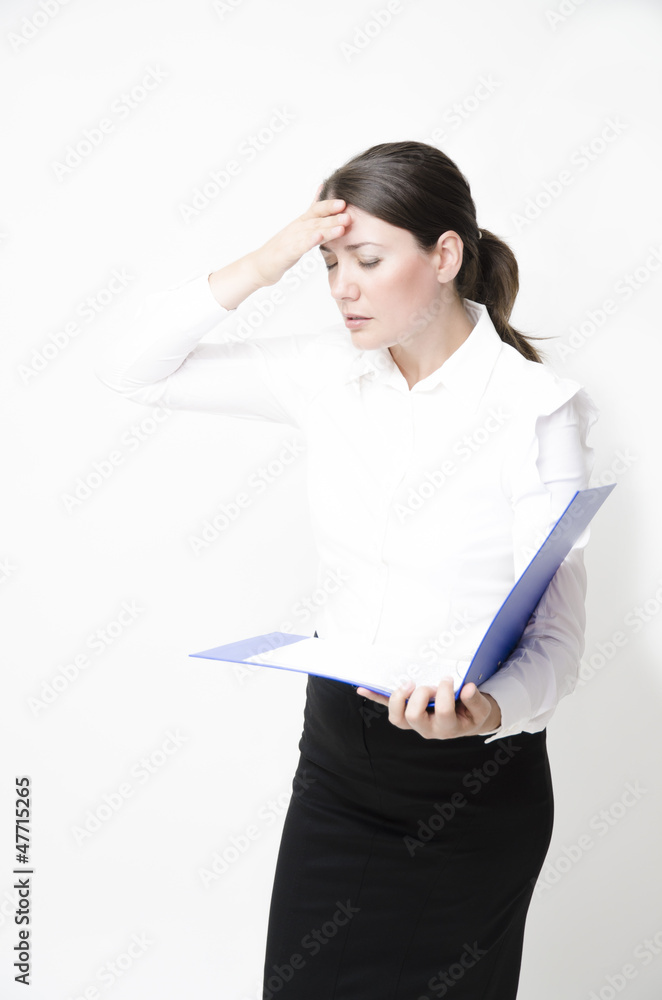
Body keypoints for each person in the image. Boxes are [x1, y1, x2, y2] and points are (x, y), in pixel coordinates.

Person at [95, 140, 599, 999]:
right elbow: (131, 369)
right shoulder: (325, 373)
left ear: (445, 255)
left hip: (472, 784)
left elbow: (558, 641)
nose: (341, 287)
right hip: (337, 765)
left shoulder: (535, 411)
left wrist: (485, 710)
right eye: (329, 264)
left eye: (366, 259)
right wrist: (269, 258)